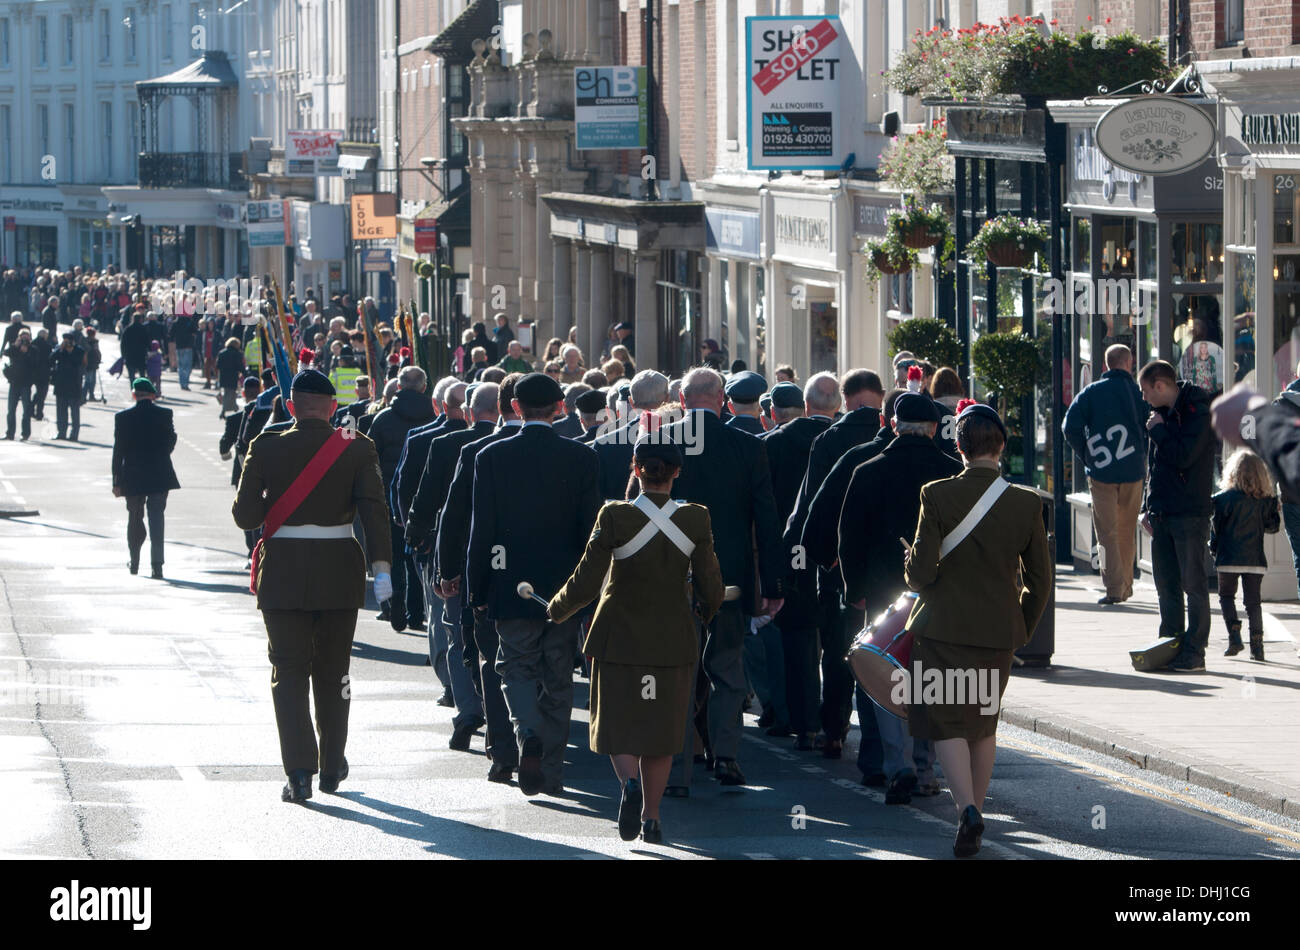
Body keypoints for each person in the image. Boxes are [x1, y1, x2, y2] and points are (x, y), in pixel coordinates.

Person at [549, 436, 723, 844]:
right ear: (677, 472)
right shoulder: (696, 518)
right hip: (672, 638)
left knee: (616, 725)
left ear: (635, 468)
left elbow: (587, 580)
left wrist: (556, 609)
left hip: (617, 637)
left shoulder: (613, 515)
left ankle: (628, 785)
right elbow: (711, 582)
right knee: (662, 732)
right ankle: (653, 817)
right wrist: (708, 610)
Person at [232, 369, 393, 803]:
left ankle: (299, 772)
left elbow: (245, 517)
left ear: (290, 408)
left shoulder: (265, 447)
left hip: (282, 573)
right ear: (334, 408)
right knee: (334, 671)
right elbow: (375, 514)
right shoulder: (356, 448)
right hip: (338, 573)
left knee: (288, 674)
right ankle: (331, 764)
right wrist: (383, 573)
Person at [903, 401, 1051, 857]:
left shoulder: (937, 494)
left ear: (959, 446)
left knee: (947, 721)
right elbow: (1041, 579)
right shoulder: (1027, 502)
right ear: (1002, 446)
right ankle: (977, 811)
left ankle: (965, 808)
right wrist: (1020, 627)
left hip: (943, 629)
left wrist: (909, 562)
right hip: (996, 633)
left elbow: (921, 573)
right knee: (982, 725)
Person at [466, 373, 601, 796]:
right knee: (559, 677)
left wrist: (477, 588)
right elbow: (590, 532)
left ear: (517, 408)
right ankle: (553, 772)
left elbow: (481, 529)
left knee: (516, 667)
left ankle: (527, 733)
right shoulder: (582, 458)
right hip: (565, 585)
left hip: (510, 580)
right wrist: (590, 591)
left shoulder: (491, 456)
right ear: (560, 406)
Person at [660, 368, 784, 785]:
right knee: (728, 669)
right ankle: (726, 753)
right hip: (728, 576)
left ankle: (677, 766)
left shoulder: (659, 439)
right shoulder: (748, 446)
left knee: (678, 670)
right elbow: (765, 520)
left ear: (682, 397)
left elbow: (634, 511)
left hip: (669, 576)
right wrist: (772, 585)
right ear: (722, 400)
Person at [839, 392, 963, 803]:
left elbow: (849, 539)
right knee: (931, 678)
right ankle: (926, 767)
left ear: (892, 424)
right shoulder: (951, 474)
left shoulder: (868, 470)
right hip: (939, 594)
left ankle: (899, 766)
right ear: (932, 429)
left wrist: (853, 590)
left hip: (882, 594)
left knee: (888, 678)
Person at [760, 377, 838, 742]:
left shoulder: (773, 443)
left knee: (798, 641)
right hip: (837, 557)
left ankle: (804, 723)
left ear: (807, 406)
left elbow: (766, 509)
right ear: (836, 406)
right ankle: (834, 724)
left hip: (791, 556)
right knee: (837, 642)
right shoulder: (847, 440)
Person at [1138, 360, 1216, 672]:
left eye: (1145, 391)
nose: (1143, 398)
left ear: (1160, 386)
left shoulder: (1197, 410)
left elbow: (1184, 457)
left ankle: (1194, 651)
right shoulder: (1160, 416)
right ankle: (1168, 645)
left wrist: (1159, 431)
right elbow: (1154, 465)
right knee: (1166, 585)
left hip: (1189, 513)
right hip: (1162, 512)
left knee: (1193, 585)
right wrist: (1147, 505)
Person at [1061, 344, 1147, 605]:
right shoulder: (1137, 392)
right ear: (1129, 364)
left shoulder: (1091, 392)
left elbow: (1069, 426)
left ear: (1107, 365)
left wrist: (1087, 453)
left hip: (1101, 472)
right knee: (1127, 529)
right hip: (1133, 469)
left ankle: (1113, 588)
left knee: (1106, 533)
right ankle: (1127, 585)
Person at [368, 366, 437, 631]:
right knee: (418, 558)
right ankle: (416, 611)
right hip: (425, 498)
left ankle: (397, 607)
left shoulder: (383, 419)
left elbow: (370, 458)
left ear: (398, 386)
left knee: (396, 555)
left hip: (390, 497)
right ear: (423, 387)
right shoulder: (433, 416)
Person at [1212, 450, 1280, 661]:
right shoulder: (1265, 500)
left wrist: (1214, 549)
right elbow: (1272, 528)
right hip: (1254, 560)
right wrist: (1274, 509)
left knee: (1226, 597)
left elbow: (1216, 529)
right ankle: (1257, 647)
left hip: (1228, 558)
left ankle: (1234, 636)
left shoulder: (1221, 499)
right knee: (1253, 603)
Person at [111, 378, 181, 578]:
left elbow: (118, 451)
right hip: (159, 474)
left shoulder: (123, 417)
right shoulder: (165, 414)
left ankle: (134, 561)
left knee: (134, 518)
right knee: (157, 519)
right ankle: (157, 565)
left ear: (134, 395)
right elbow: (170, 442)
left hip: (132, 476)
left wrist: (116, 480)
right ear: (152, 395)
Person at [50, 332, 86, 441]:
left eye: (68, 341)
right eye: (65, 341)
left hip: (74, 385)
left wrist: (70, 351)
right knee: (61, 411)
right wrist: (60, 349)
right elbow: (51, 359)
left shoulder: (79, 351)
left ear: (73, 341)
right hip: (61, 385)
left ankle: (74, 434)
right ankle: (61, 432)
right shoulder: (60, 350)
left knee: (74, 412)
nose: (66, 343)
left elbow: (79, 363)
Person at [3, 328, 37, 440]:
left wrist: (26, 352)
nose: (24, 339)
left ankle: (25, 434)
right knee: (11, 410)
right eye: (22, 336)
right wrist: (15, 345)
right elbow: (6, 353)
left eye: (26, 336)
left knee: (26, 410)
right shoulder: (15, 348)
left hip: (26, 383)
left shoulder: (33, 349)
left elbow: (35, 363)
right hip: (14, 382)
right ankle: (10, 433)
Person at [216, 337, 245, 417]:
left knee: (227, 393)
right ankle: (232, 408)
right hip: (233, 376)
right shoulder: (237, 354)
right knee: (232, 393)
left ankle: (229, 409)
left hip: (224, 376)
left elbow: (218, 365)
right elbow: (240, 366)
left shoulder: (222, 353)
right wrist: (244, 372)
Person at [30, 328, 53, 420]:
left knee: (38, 392)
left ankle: (31, 408)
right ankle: (39, 412)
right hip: (44, 372)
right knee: (42, 393)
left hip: (33, 371)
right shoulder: (47, 346)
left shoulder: (32, 344)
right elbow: (50, 359)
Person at [81, 326, 102, 404]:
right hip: (91, 363)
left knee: (90, 380)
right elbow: (97, 352)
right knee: (90, 380)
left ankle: (87, 396)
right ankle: (86, 396)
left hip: (89, 363)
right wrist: (99, 359)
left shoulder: (84, 341)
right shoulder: (94, 342)